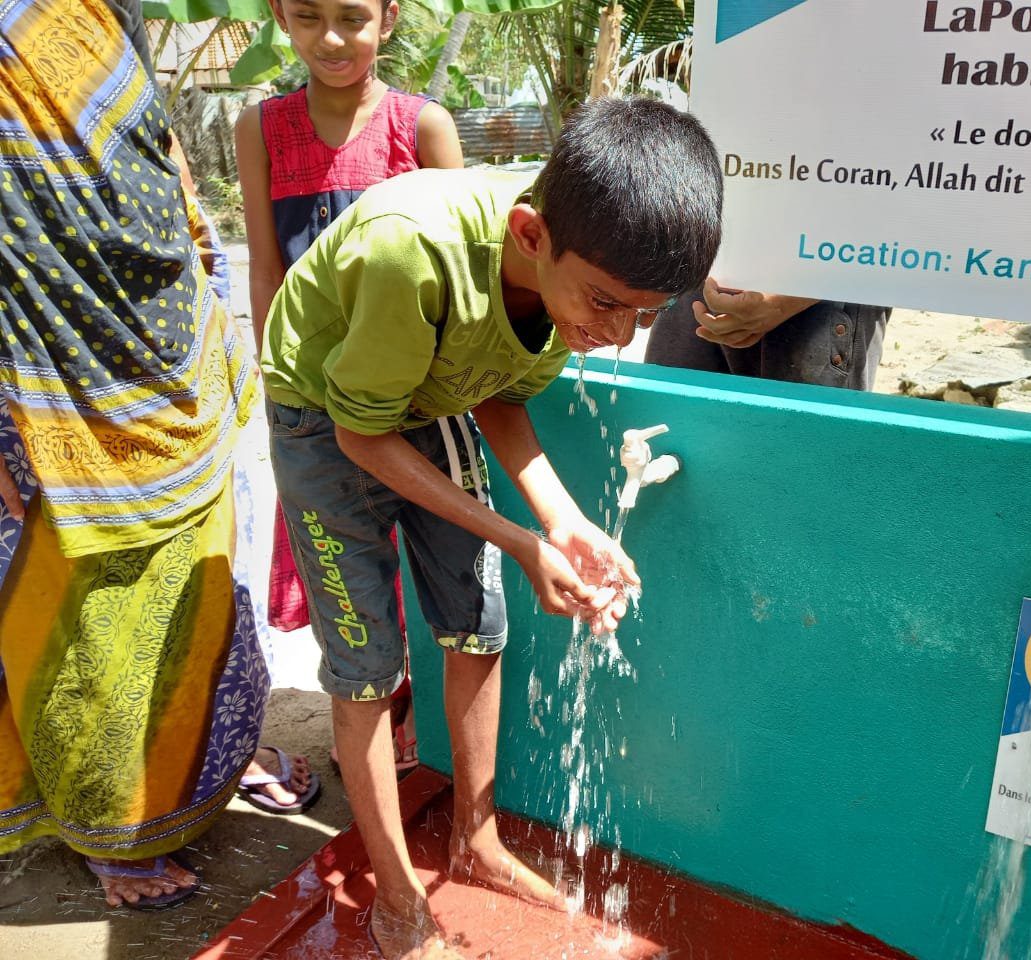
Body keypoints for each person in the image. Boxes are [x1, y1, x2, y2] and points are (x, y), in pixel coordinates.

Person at [261, 97, 723, 958]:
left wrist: (563, 518)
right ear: (527, 235)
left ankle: (478, 844)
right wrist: (518, 539)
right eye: (608, 304)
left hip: (428, 381)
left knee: (478, 627)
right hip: (326, 410)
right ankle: (398, 898)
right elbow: (363, 433)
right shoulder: (413, 252)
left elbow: (500, 392)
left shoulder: (573, 271)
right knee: (366, 666)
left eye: (646, 314)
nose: (615, 335)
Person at [0, 0, 310, 910]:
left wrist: (203, 272)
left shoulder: (99, 10)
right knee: (87, 598)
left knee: (207, 564)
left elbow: (150, 143)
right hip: (46, 365)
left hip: (165, 326)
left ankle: (209, 762)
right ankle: (111, 828)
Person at [237, 0, 464, 774]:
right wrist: (279, 387)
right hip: (311, 398)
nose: (330, 39)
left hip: (412, 397)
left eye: (352, 17)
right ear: (280, 17)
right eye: (307, 17)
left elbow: (460, 270)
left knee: (424, 554)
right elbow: (266, 265)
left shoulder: (421, 126)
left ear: (389, 18)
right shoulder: (261, 129)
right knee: (345, 566)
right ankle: (367, 722)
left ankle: (408, 721)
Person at [645, 281, 890, 390]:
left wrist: (786, 301)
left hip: (822, 299)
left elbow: (904, 201)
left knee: (802, 473)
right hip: (702, 268)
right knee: (667, 445)